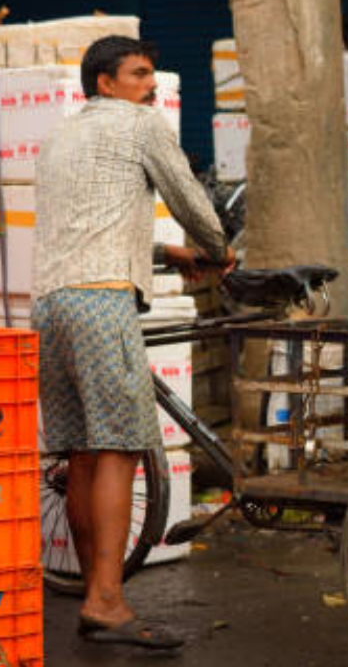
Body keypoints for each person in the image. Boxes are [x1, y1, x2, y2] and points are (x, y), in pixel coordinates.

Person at [34, 35, 234, 650]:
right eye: (140, 74)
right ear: (106, 82)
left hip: (49, 306)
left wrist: (166, 253)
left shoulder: (58, 139)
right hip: (101, 302)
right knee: (120, 446)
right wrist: (219, 249)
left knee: (81, 458)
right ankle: (108, 600)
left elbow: (85, 226)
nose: (151, 85)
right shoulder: (140, 123)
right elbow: (188, 196)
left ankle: (95, 589)